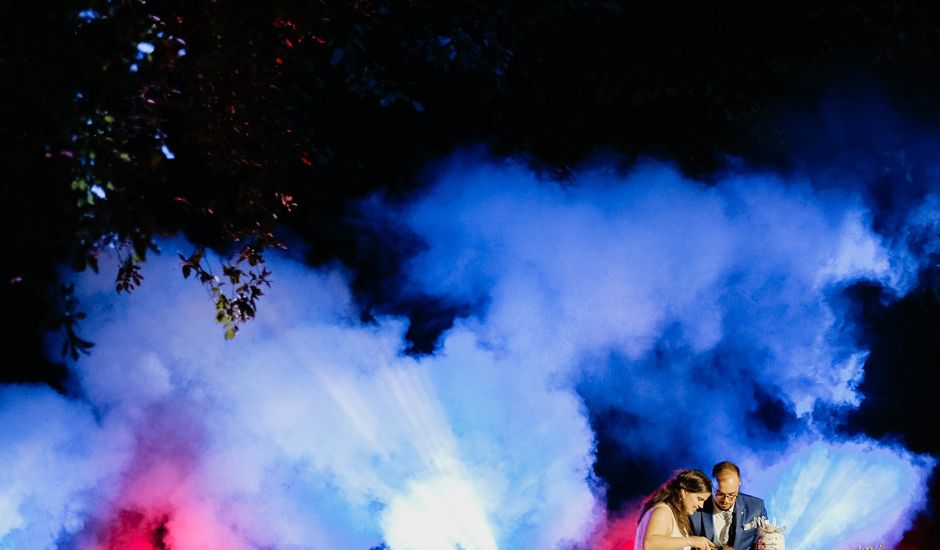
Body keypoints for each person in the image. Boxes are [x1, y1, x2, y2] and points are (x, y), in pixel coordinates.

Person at [689, 461, 768, 550]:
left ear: (739, 485)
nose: (725, 500)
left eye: (731, 495)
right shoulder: (694, 508)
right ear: (711, 485)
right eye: (719, 494)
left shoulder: (756, 507)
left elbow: (763, 543)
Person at [635, 469, 718, 550]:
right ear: (684, 493)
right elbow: (650, 544)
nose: (701, 506)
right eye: (699, 499)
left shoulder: (674, 514)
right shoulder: (663, 511)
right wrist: (691, 541)